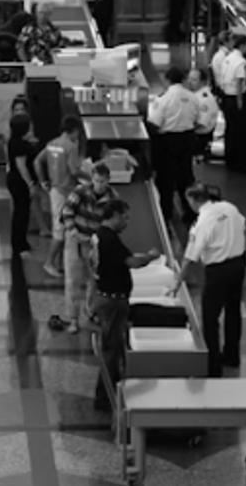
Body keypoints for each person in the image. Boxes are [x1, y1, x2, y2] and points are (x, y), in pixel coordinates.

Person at [91, 201, 158, 409]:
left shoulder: (97, 235)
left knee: (114, 346)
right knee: (112, 349)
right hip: (113, 301)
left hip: (104, 296)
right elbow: (132, 262)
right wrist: (151, 256)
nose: (127, 222)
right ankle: (105, 397)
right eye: (125, 217)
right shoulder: (110, 239)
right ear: (114, 216)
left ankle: (113, 389)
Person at [179, 185, 246, 374]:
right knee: (233, 311)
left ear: (193, 200)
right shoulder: (231, 208)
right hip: (238, 265)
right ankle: (232, 356)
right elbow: (242, 226)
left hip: (217, 271)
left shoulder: (203, 221)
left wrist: (178, 281)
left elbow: (190, 256)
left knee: (210, 317)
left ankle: (213, 365)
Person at [55, 161, 120, 333]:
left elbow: (116, 223)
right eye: (97, 180)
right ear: (92, 179)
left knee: (95, 282)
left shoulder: (113, 199)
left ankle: (91, 313)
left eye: (103, 181)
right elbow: (66, 212)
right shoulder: (80, 192)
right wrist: (74, 232)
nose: (99, 185)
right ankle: (73, 319)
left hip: (95, 246)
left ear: (108, 180)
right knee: (72, 281)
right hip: (75, 243)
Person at [146, 67, 201, 227]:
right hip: (187, 139)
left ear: (167, 80)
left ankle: (166, 213)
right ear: (183, 80)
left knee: (166, 179)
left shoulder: (163, 98)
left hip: (168, 142)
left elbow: (155, 122)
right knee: (186, 177)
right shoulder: (192, 97)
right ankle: (190, 212)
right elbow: (197, 118)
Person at [37, 116, 85, 283]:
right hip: (65, 191)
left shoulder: (52, 144)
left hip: (55, 190)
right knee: (60, 229)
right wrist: (91, 175)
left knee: (60, 227)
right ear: (75, 130)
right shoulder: (70, 146)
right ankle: (49, 262)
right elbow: (74, 171)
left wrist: (43, 180)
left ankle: (58, 262)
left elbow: (38, 161)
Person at [4, 112, 42, 257]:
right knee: (21, 213)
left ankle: (22, 242)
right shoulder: (18, 144)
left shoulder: (15, 141)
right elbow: (22, 166)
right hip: (19, 182)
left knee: (22, 212)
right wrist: (30, 184)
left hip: (16, 180)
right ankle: (18, 245)